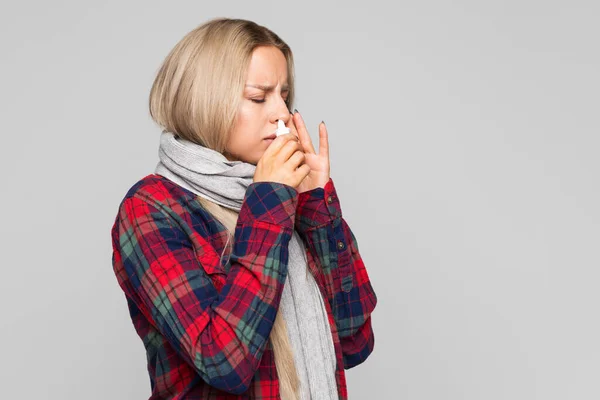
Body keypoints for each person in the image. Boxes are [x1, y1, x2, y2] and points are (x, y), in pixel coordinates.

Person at [110, 17, 377, 399]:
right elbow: (224, 361)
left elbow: (355, 342)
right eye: (258, 97)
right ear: (206, 100)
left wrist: (318, 207)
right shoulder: (151, 209)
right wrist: (268, 202)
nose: (281, 113)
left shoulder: (286, 196)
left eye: (285, 95)